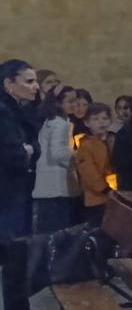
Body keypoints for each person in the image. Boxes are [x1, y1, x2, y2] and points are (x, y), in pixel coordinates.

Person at [0, 59, 41, 241]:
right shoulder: (4, 113)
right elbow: (13, 154)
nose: (36, 87)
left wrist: (29, 149)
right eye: (29, 81)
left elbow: (35, 148)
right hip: (7, 191)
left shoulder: (20, 112)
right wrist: (27, 151)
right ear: (9, 84)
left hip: (17, 189)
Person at [32, 85, 80, 233]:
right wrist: (77, 155)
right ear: (58, 103)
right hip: (57, 184)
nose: (75, 105)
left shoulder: (51, 121)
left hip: (48, 184)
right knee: (57, 229)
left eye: (75, 101)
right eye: (70, 101)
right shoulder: (59, 124)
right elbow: (58, 153)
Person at [76, 104, 115, 228]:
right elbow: (88, 172)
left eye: (104, 118)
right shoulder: (86, 145)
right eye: (96, 119)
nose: (101, 122)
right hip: (96, 198)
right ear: (87, 123)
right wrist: (104, 189)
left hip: (115, 195)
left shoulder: (113, 140)